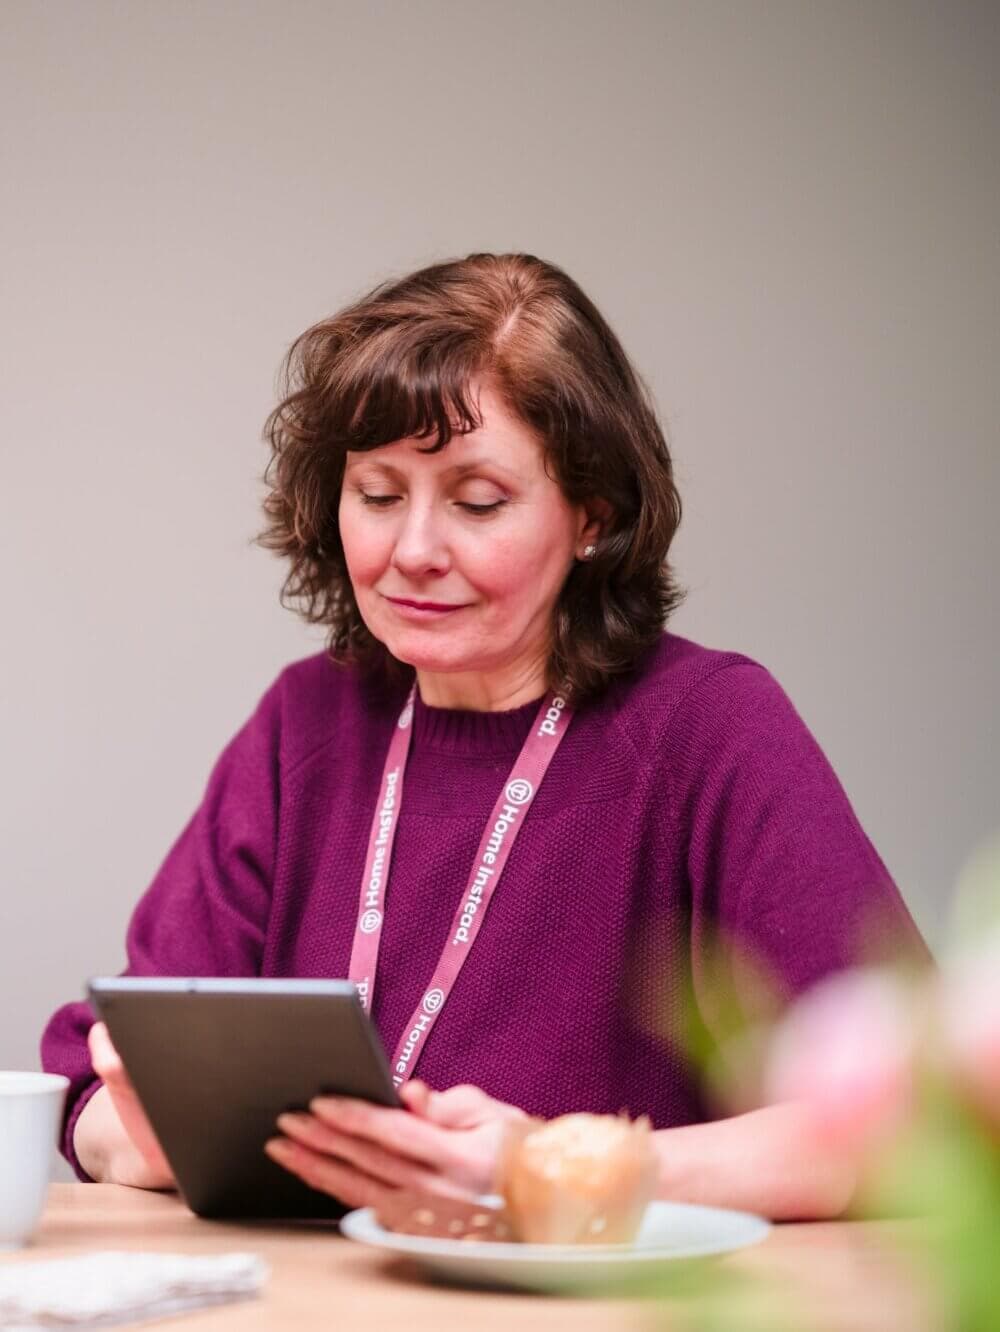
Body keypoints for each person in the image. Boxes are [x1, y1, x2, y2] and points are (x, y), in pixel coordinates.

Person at [41, 252, 930, 1221]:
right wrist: (150, 1133)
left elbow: (913, 1122)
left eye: (476, 502)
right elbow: (92, 1083)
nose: (413, 551)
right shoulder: (305, 725)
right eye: (378, 495)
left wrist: (545, 1165)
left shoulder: (708, 730)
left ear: (592, 514)